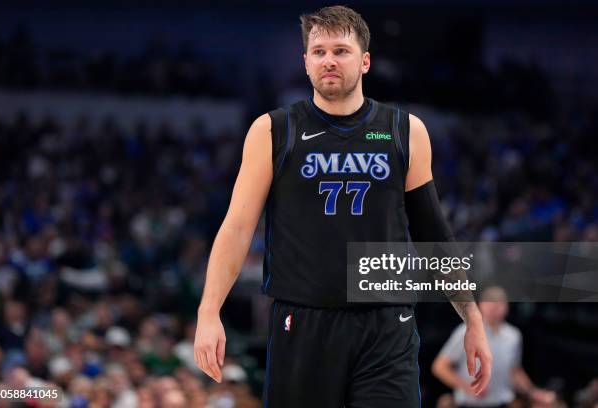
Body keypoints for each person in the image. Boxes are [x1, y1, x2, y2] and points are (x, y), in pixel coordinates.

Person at [194, 5, 492, 407]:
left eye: (341, 50)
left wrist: (472, 318)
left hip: (386, 324)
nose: (329, 60)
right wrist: (209, 311)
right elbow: (237, 228)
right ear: (305, 63)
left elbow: (432, 233)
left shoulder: (406, 131)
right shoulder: (273, 130)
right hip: (303, 322)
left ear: (365, 61)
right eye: (318, 52)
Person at [432, 286, 556, 408]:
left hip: (502, 403)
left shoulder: (513, 335)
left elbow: (514, 371)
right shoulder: (466, 332)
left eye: (499, 302)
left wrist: (532, 392)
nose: (494, 306)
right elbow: (440, 367)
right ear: (480, 304)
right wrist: (467, 387)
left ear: (507, 306)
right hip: (470, 404)